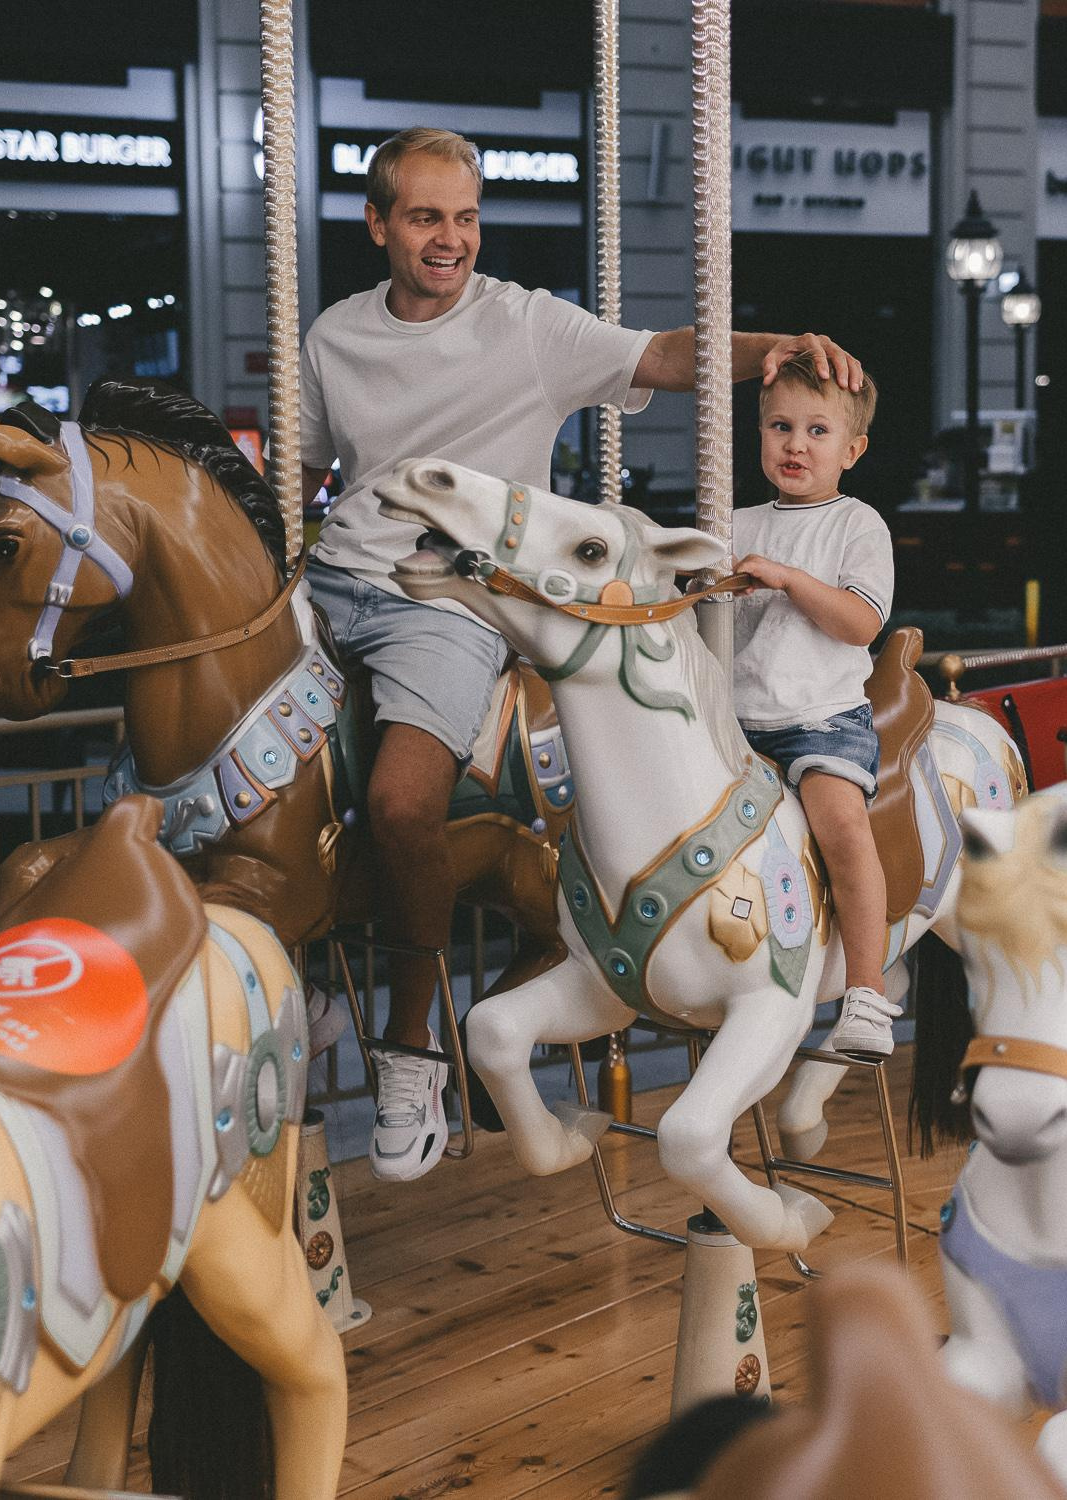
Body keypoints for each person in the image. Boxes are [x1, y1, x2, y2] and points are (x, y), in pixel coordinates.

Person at [299, 126, 864, 1180]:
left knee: (401, 804)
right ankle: (301, 993)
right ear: (378, 224)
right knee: (214, 761)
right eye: (426, 217)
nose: (449, 239)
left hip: (452, 596)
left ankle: (413, 1039)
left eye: (465, 218)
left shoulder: (524, 326)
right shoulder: (333, 337)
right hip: (335, 580)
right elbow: (308, 472)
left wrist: (777, 351)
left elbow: (660, 355)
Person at [731, 353, 897, 1056]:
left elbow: (861, 622)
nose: (795, 444)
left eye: (817, 430)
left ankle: (865, 994)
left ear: (852, 450)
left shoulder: (857, 525)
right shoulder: (732, 522)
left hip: (820, 720)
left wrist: (788, 579)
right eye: (780, 426)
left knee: (842, 827)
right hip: (734, 722)